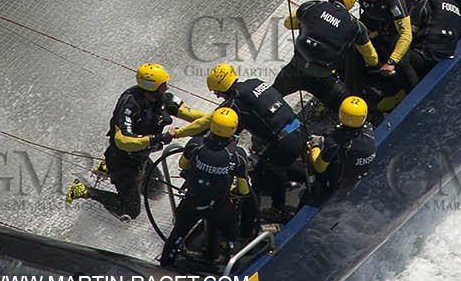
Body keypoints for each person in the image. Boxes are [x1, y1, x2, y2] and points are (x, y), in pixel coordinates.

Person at [65, 63, 207, 221]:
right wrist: (155, 139)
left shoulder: (165, 99)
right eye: (163, 85)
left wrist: (221, 120)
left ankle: (106, 168)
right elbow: (122, 141)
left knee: (157, 192)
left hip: (142, 157)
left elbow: (196, 116)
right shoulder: (130, 104)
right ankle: (85, 190)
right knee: (130, 210)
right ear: (151, 88)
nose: (166, 88)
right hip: (122, 161)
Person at [183, 62, 309, 221]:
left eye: (216, 92)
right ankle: (305, 181)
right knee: (273, 164)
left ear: (222, 89)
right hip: (300, 131)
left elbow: (206, 122)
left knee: (255, 183)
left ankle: (249, 227)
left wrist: (177, 133)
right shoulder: (255, 82)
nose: (217, 96)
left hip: (284, 145)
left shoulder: (233, 103)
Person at [158, 107, 252, 268]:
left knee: (176, 236)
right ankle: (232, 274)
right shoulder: (238, 155)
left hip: (191, 204)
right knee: (232, 237)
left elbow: (182, 164)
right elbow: (244, 190)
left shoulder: (195, 144)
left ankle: (164, 268)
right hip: (219, 207)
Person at [273, 0, 379, 111]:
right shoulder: (356, 26)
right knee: (349, 108)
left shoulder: (311, 6)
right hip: (323, 79)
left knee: (270, 97)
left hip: (295, 69)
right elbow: (372, 58)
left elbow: (288, 23)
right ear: (351, 0)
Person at [350, 0, 417, 105]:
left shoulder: (395, 0)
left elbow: (406, 35)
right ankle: (355, 94)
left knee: (403, 62)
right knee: (353, 47)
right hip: (373, 15)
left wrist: (392, 62)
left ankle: (414, 94)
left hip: (393, 20)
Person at [303, 95, 376, 205]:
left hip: (336, 185)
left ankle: (309, 197)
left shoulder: (334, 142)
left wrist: (315, 146)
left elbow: (319, 167)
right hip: (356, 177)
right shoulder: (368, 129)